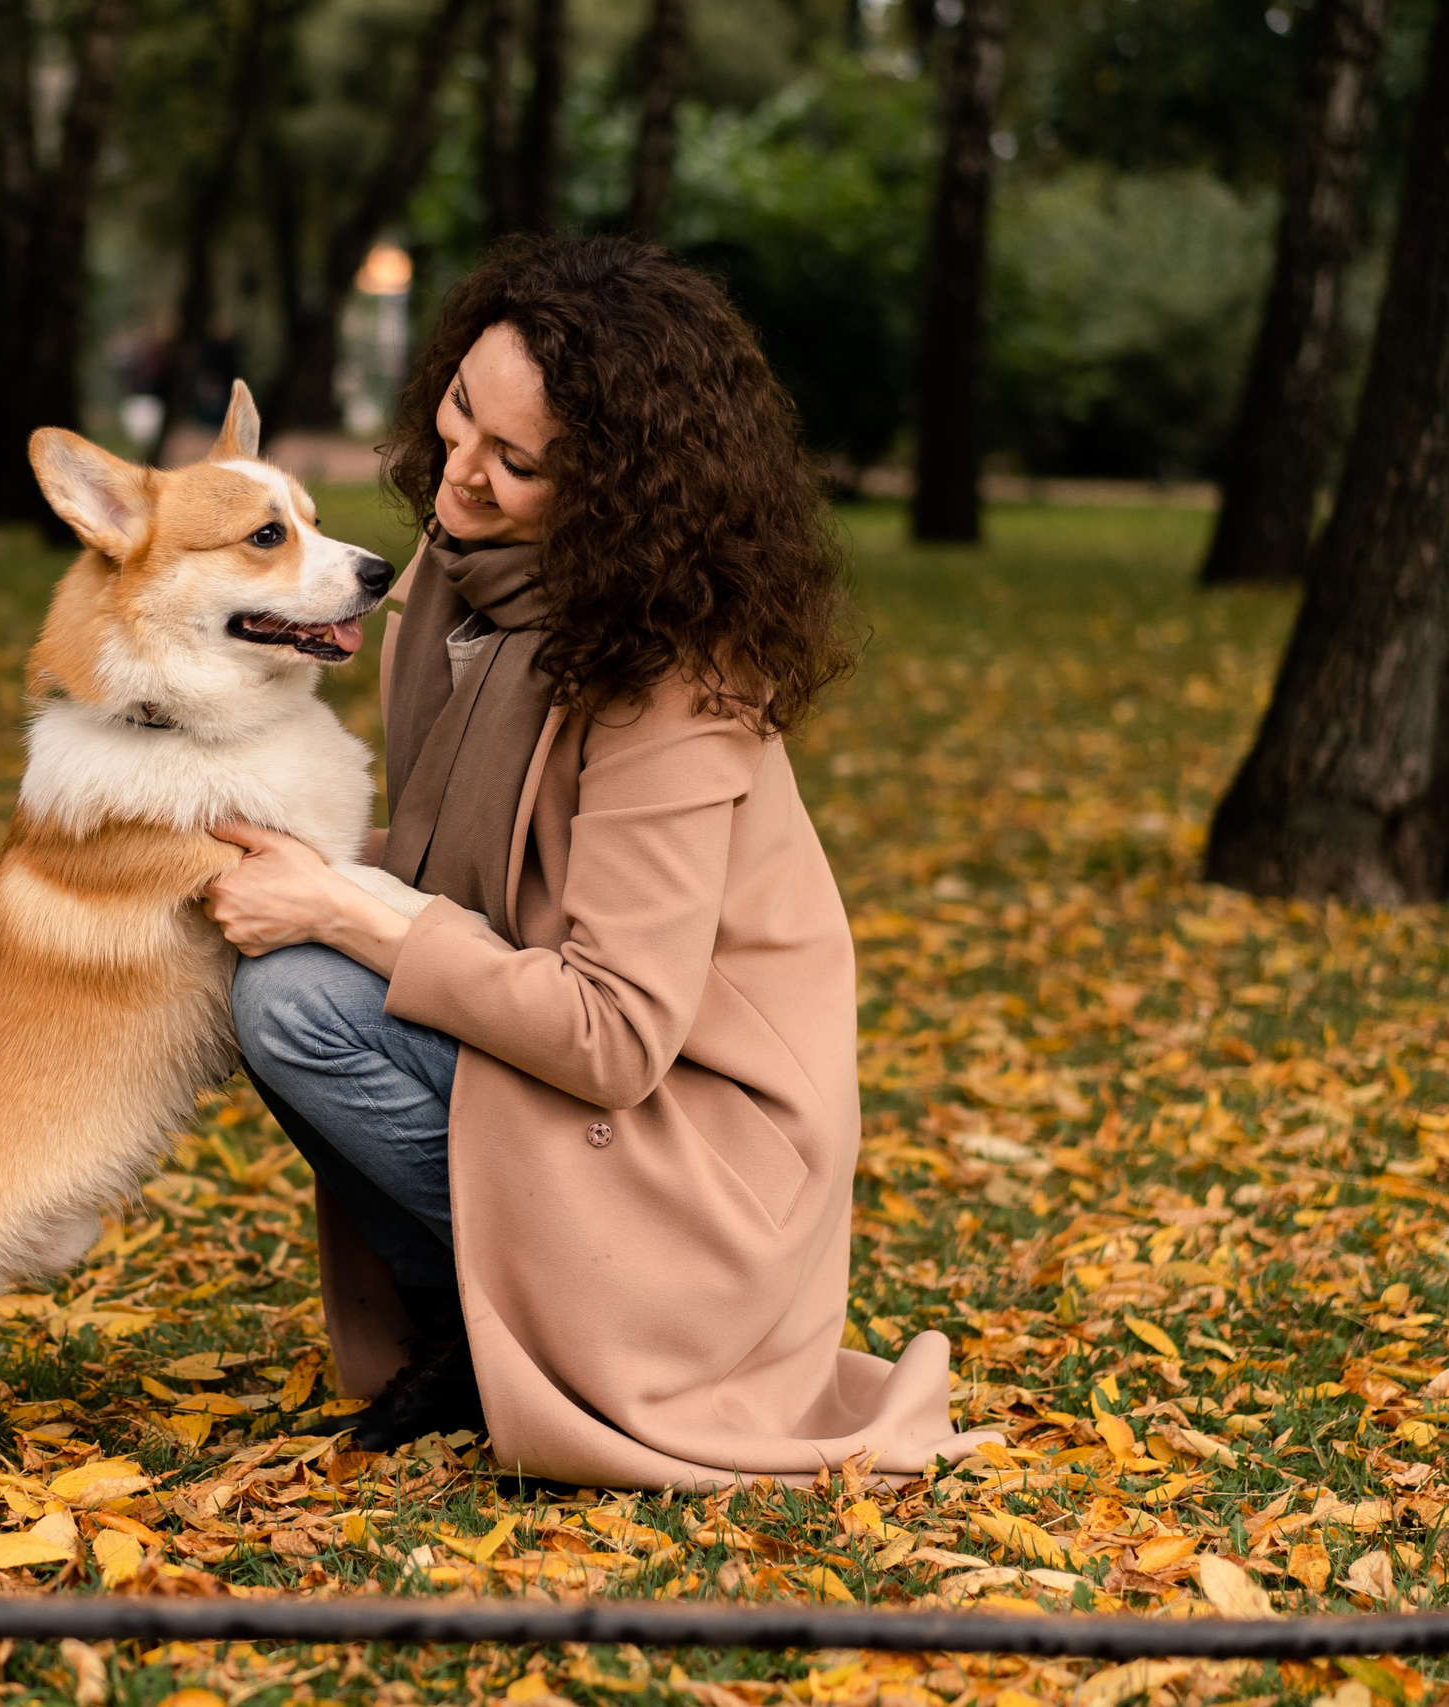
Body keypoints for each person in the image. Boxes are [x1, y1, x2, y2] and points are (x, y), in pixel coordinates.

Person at [202, 236, 995, 1489]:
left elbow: (616, 1032)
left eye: (517, 463)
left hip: (700, 1166)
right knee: (268, 946)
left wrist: (343, 913)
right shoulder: (463, 578)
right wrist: (238, 846)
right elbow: (452, 869)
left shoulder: (673, 678)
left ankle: (511, 1330)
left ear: (619, 492)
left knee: (297, 994)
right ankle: (473, 1335)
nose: (458, 473)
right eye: (460, 410)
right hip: (576, 1085)